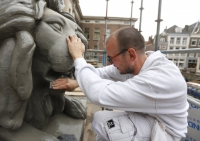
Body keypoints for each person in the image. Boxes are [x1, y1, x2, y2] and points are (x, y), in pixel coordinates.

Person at [52, 27, 189, 141]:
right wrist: (76, 82)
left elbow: (98, 94)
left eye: (111, 58)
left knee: (103, 123)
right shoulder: (141, 63)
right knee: (104, 122)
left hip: (164, 133)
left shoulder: (157, 79)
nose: (110, 63)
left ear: (130, 54)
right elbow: (103, 73)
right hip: (151, 118)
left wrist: (78, 57)